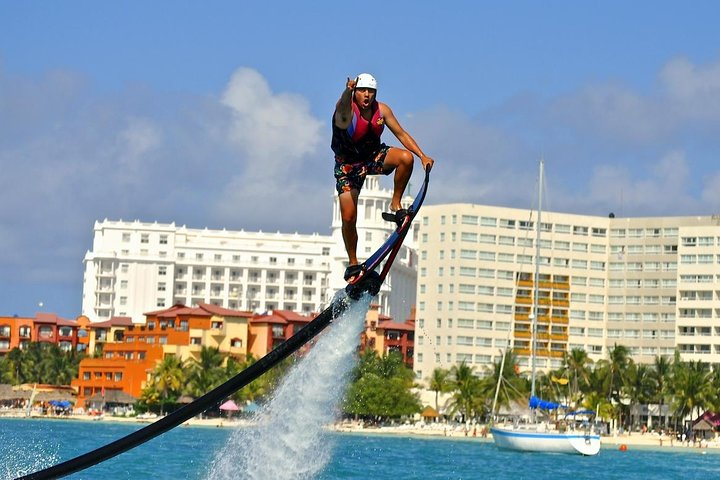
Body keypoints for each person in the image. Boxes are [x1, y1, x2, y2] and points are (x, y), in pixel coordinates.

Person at [332, 73, 434, 281]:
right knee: (349, 217)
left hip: (372, 157)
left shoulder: (382, 110)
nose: (366, 95)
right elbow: (342, 105)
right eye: (362, 91)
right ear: (355, 92)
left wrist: (422, 156)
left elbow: (402, 134)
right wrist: (347, 91)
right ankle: (352, 263)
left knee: (405, 158)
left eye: (370, 91)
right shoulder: (346, 110)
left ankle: (395, 206)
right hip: (348, 167)